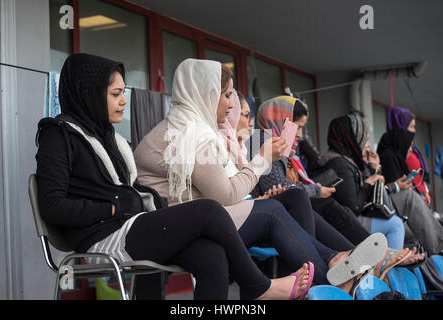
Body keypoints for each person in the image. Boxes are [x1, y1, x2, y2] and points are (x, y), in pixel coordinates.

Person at [35, 53, 318, 301]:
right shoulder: (58, 136)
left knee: (212, 255)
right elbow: (52, 205)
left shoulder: (107, 136)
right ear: (91, 95)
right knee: (208, 209)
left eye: (124, 92)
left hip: (130, 225)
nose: (124, 101)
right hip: (104, 238)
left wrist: (129, 206)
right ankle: (258, 287)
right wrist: (111, 208)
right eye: (115, 94)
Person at [134, 58, 417, 291]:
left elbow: (222, 189)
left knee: (290, 200)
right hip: (183, 224)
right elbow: (225, 194)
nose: (232, 106)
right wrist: (262, 160)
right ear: (205, 94)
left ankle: (334, 266)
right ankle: (331, 281)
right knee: (274, 210)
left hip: (194, 217)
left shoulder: (187, 127)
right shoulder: (195, 133)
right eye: (227, 95)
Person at [251, 97, 373, 247]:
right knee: (326, 206)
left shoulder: (279, 145)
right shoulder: (263, 141)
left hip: (281, 209)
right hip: (271, 212)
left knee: (332, 208)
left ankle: (361, 252)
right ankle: (361, 253)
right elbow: (278, 187)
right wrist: (316, 190)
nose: (300, 135)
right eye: (297, 127)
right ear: (283, 121)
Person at [312, 113, 408, 250]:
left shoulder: (345, 160)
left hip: (347, 219)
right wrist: (369, 182)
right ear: (351, 139)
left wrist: (373, 168)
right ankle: (388, 267)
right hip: (344, 223)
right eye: (364, 139)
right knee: (396, 225)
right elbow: (355, 206)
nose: (368, 145)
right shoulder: (339, 164)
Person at [377, 128, 443, 255]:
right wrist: (398, 186)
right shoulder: (389, 158)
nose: (411, 149)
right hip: (393, 213)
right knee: (411, 199)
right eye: (409, 145)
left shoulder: (396, 159)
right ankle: (439, 246)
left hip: (399, 212)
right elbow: (396, 193)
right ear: (401, 143)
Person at [387, 107, 431, 206]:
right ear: (401, 127)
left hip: (417, 197)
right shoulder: (392, 155)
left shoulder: (411, 150)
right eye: (411, 126)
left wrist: (425, 191)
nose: (414, 131)